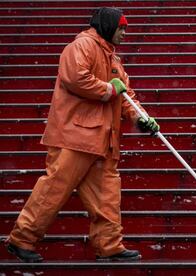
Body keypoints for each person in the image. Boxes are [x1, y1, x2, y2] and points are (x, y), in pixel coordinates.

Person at [5, 7, 159, 262]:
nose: (123, 34)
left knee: (107, 197)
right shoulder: (81, 46)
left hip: (103, 141)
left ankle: (109, 246)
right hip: (75, 137)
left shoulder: (113, 59)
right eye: (121, 29)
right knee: (53, 191)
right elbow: (76, 78)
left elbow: (126, 97)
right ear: (108, 26)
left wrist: (142, 119)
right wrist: (109, 89)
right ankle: (21, 240)